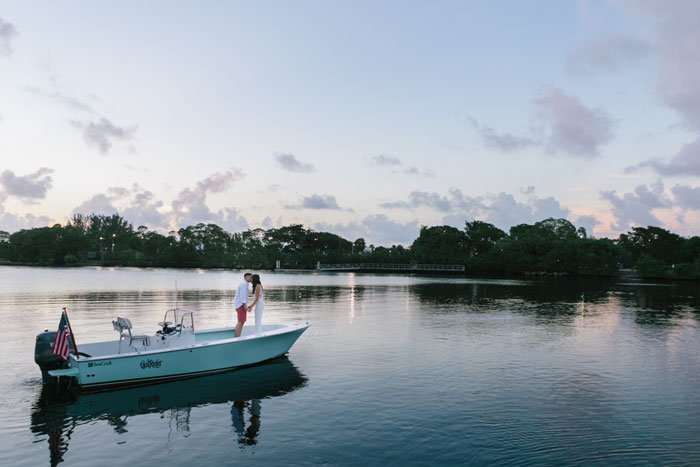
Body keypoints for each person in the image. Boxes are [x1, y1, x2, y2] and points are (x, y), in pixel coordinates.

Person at [233, 272, 252, 338]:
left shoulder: (244, 284)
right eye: (250, 277)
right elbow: (242, 296)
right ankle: (237, 337)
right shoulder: (244, 284)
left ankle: (236, 336)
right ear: (246, 277)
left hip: (240, 304)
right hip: (241, 305)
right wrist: (244, 305)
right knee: (241, 321)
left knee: (241, 321)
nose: (251, 278)